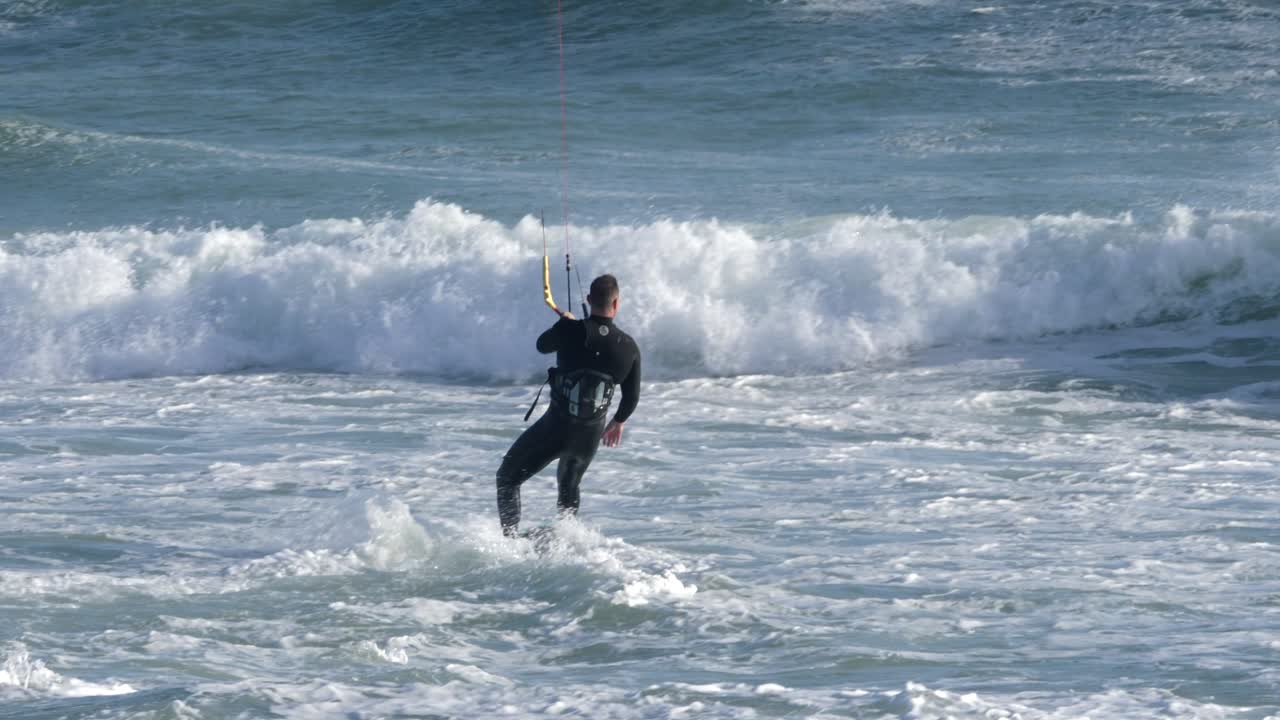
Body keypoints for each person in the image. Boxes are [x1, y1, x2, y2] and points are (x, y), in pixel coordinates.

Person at [495, 274, 641, 537]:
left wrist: (564, 324)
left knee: (507, 478)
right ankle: (564, 543)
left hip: (556, 428)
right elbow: (631, 399)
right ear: (616, 303)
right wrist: (617, 421)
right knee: (569, 485)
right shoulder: (629, 347)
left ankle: (510, 544)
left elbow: (542, 346)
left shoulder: (569, 330)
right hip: (589, 436)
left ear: (589, 300)